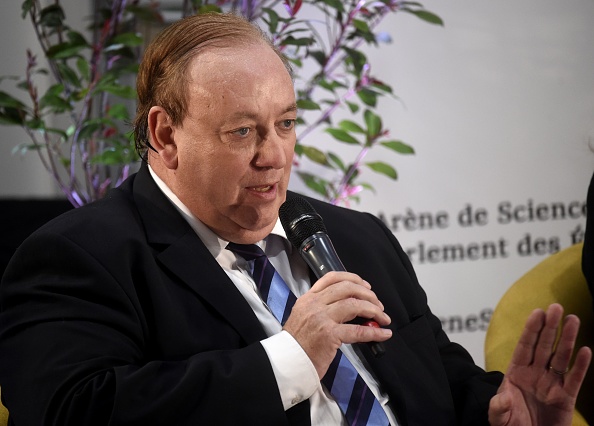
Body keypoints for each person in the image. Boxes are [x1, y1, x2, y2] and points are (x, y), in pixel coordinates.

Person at [0, 12, 590, 426]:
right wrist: (291, 359)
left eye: (284, 124)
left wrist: (496, 412)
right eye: (242, 131)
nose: (274, 154)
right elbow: (74, 410)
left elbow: (439, 378)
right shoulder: (80, 258)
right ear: (164, 134)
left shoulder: (357, 236)